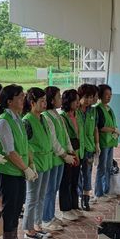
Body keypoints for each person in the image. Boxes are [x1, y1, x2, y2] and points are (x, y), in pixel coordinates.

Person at [0, 84, 36, 239]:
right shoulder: (4, 121)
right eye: (19, 97)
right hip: (8, 172)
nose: (23, 99)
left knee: (18, 205)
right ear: (9, 101)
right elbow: (9, 151)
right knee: (10, 208)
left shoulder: (18, 118)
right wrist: (25, 168)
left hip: (18, 170)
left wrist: (30, 164)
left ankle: (15, 238)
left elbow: (25, 146)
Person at [41, 86, 77, 229]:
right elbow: (53, 140)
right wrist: (63, 154)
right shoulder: (46, 116)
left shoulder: (57, 115)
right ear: (51, 100)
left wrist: (70, 150)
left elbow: (65, 135)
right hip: (55, 158)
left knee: (54, 188)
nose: (61, 99)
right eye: (58, 97)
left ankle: (51, 215)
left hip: (62, 158)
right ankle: (45, 218)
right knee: (49, 189)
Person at [22, 88, 54, 239]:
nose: (44, 103)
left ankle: (37, 225)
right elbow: (25, 145)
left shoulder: (43, 118)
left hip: (46, 162)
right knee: (32, 197)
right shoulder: (27, 120)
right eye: (41, 101)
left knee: (41, 196)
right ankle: (28, 230)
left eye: (45, 100)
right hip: (35, 163)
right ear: (32, 103)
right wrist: (29, 165)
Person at [59, 89, 84, 220]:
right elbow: (66, 137)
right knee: (66, 181)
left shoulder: (78, 115)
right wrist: (71, 153)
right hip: (68, 152)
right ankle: (65, 208)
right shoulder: (63, 117)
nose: (78, 103)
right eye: (75, 100)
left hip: (77, 151)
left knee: (75, 180)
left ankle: (74, 206)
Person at [94, 84, 119, 201]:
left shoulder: (109, 108)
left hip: (110, 142)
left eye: (110, 95)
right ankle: (99, 193)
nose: (109, 97)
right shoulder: (98, 109)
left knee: (108, 167)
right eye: (106, 95)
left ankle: (106, 190)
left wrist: (115, 131)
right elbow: (100, 127)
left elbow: (112, 123)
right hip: (104, 143)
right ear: (100, 96)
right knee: (102, 168)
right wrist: (113, 130)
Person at [76, 84, 99, 211]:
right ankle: (79, 195)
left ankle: (86, 198)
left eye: (91, 98)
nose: (89, 100)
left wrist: (97, 144)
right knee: (77, 174)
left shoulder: (93, 110)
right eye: (87, 97)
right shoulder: (75, 111)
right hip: (77, 148)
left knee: (87, 173)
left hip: (89, 147)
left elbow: (95, 128)